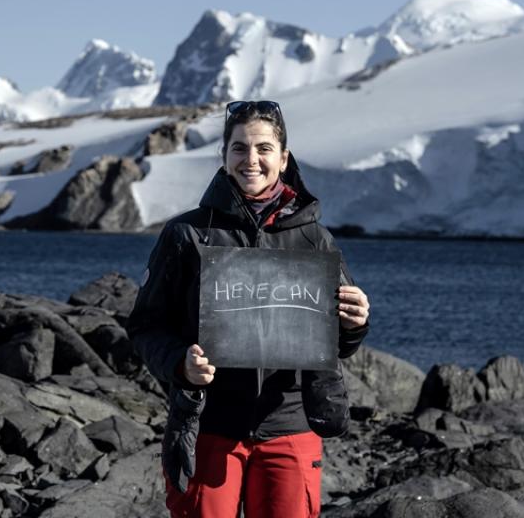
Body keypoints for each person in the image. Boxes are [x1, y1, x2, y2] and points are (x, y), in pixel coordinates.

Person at [127, 100, 371, 518]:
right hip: (209, 424)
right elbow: (146, 327)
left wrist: (355, 323)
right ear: (224, 155)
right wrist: (180, 364)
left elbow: (339, 344)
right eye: (239, 148)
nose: (251, 159)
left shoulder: (314, 239)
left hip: (289, 426)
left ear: (283, 158)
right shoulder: (187, 234)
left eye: (263, 148)